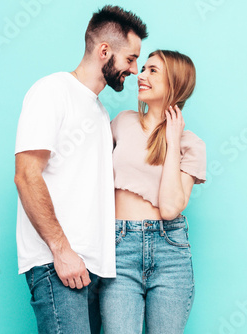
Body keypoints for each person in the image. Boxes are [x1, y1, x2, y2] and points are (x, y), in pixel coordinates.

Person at [13, 5, 147, 333]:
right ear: (105, 51)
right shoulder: (52, 91)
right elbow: (26, 174)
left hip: (93, 269)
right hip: (59, 265)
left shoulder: (99, 113)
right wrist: (61, 250)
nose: (134, 70)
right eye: (130, 58)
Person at [99, 50, 206, 334]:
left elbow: (170, 208)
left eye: (152, 71)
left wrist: (172, 142)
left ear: (175, 83)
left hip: (170, 250)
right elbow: (91, 174)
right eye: (143, 68)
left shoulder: (191, 145)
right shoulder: (122, 122)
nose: (141, 76)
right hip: (119, 246)